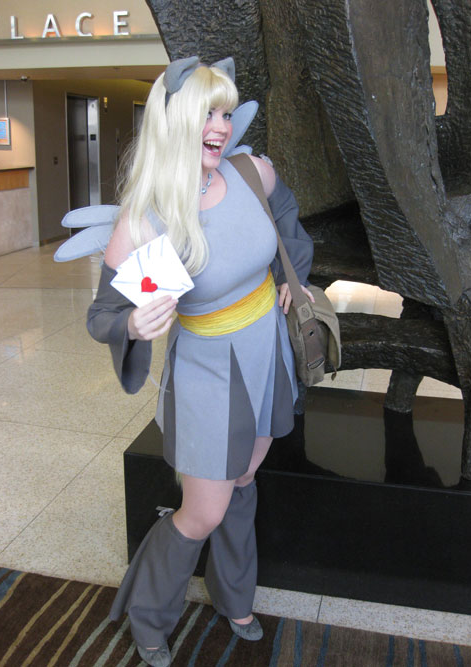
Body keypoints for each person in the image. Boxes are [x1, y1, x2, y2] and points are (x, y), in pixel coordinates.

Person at [86, 55, 314, 667]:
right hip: (209, 370)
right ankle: (147, 614)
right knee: (203, 510)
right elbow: (102, 314)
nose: (221, 125)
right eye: (207, 113)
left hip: (267, 351)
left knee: (243, 480)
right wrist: (132, 323)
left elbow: (288, 221)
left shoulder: (250, 172)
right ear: (176, 122)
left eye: (225, 112)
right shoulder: (146, 219)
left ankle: (234, 596)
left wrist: (289, 275)